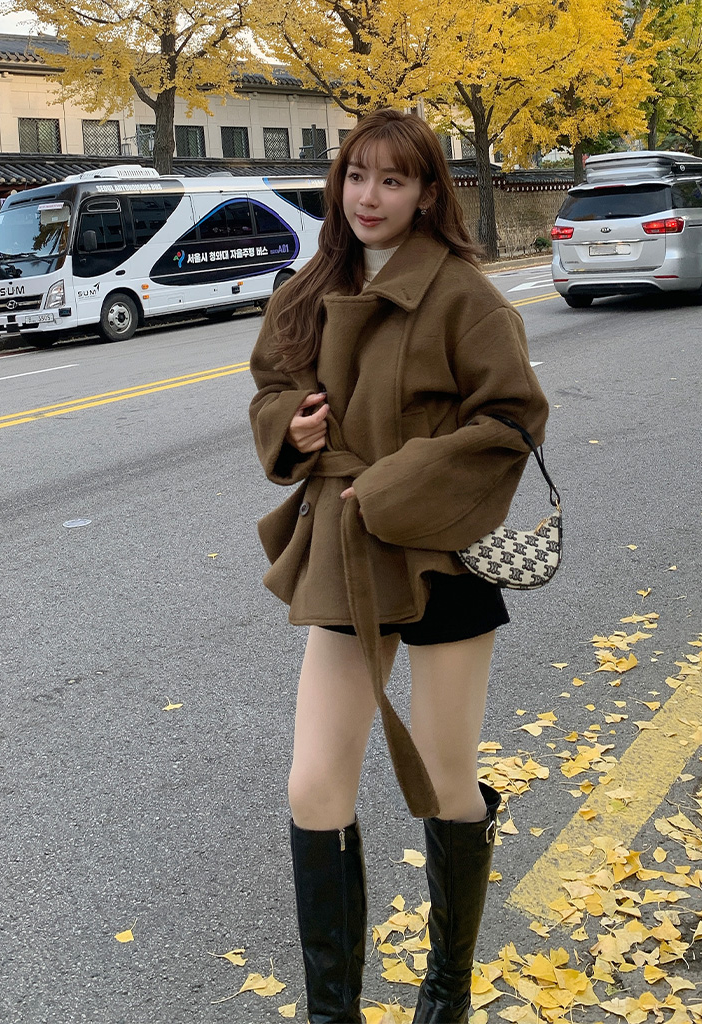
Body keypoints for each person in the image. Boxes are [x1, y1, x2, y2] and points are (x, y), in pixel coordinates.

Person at [248, 107, 549, 1024]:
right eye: (356, 176)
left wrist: (396, 484)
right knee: (314, 786)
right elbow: (270, 386)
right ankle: (332, 1014)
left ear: (425, 194)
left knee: (447, 782)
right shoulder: (309, 287)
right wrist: (291, 427)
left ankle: (447, 993)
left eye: (393, 179)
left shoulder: (462, 294)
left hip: (440, 556)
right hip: (342, 555)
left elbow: (513, 418)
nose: (369, 196)